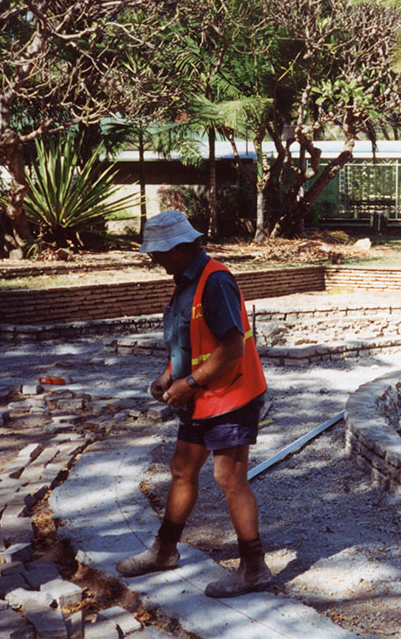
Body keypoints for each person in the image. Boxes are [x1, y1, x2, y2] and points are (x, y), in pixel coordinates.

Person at [116, 210, 272, 598]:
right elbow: (190, 338)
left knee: (229, 477)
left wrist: (188, 383)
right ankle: (164, 551)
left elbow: (232, 349)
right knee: (182, 469)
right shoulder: (184, 281)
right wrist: (170, 374)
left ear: (181, 247)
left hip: (231, 395)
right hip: (202, 395)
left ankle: (254, 568)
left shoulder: (215, 281)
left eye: (160, 253)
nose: (156, 261)